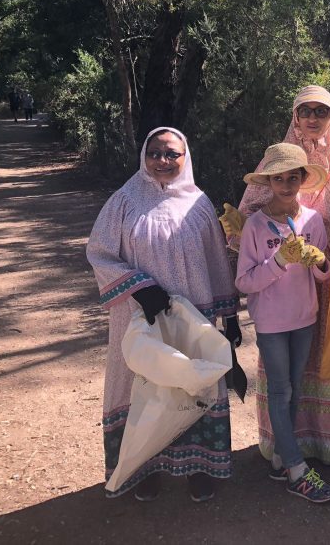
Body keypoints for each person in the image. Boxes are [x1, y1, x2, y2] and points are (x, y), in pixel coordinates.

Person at [86, 127, 241, 503]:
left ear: (185, 157)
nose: (163, 160)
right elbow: (100, 252)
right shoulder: (124, 201)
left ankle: (198, 468)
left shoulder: (199, 204)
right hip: (141, 317)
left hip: (194, 316)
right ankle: (143, 468)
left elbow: (217, 262)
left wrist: (230, 317)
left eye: (172, 154)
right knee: (144, 387)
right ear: (144, 156)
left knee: (193, 384)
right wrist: (141, 286)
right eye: (156, 153)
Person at [232, 85, 330, 466]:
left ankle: (329, 441)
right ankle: (289, 449)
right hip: (280, 293)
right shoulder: (274, 162)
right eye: (305, 111)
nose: (313, 118)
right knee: (285, 380)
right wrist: (238, 227)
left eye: (321, 111)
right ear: (295, 116)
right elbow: (250, 227)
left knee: (323, 359)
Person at [235, 142, 330, 503]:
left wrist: (319, 262)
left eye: (291, 177)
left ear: (301, 179)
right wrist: (278, 261)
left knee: (293, 388)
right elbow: (244, 282)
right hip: (271, 323)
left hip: (304, 317)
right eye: (277, 178)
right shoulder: (255, 225)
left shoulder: (312, 220)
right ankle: (297, 470)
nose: (285, 184)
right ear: (268, 182)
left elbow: (325, 275)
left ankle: (280, 459)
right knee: (280, 392)